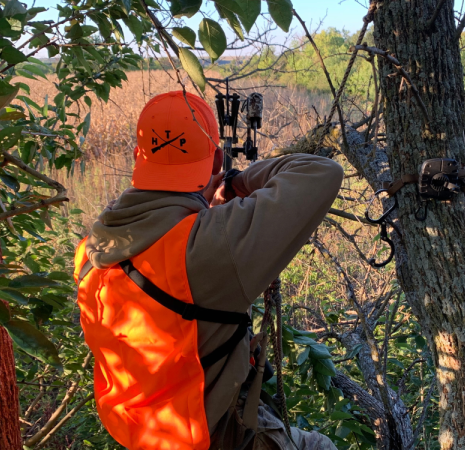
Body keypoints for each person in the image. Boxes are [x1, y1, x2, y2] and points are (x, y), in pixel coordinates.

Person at [73, 91, 343, 450]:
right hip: (210, 437)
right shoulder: (207, 248)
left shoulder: (90, 249)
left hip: (139, 433)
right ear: (216, 158)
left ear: (138, 156)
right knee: (319, 446)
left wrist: (204, 214)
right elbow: (321, 172)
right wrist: (236, 182)